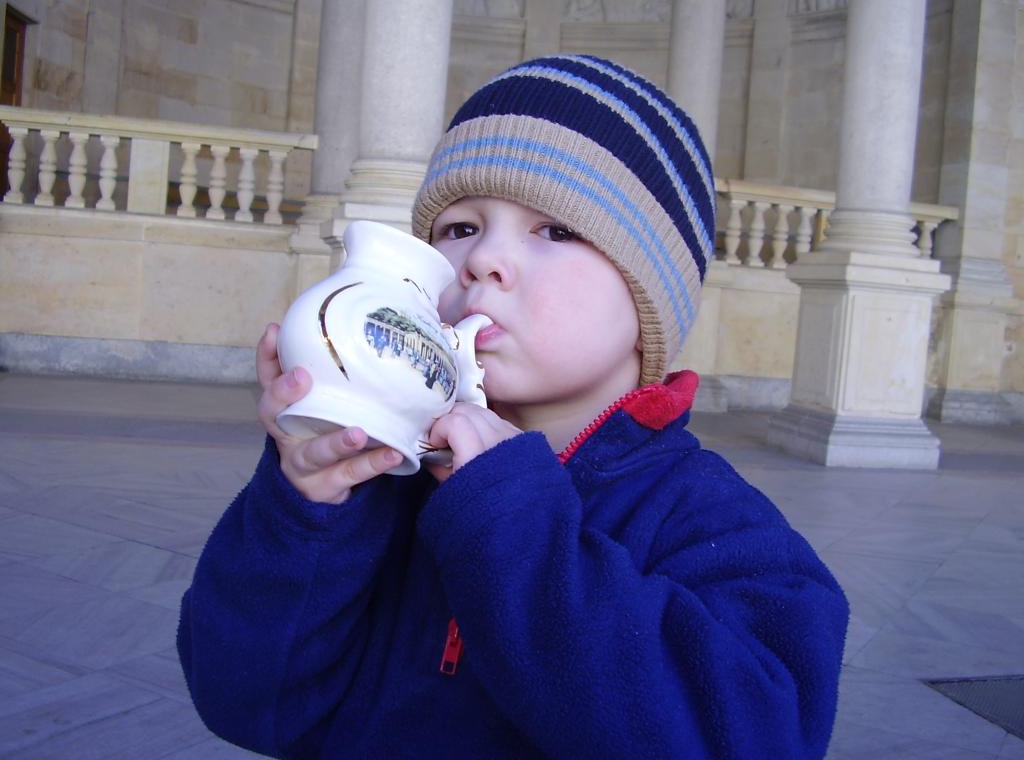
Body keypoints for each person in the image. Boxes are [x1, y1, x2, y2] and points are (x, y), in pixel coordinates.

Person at [178, 54, 848, 759]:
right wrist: (303, 512)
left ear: (649, 301)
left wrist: (509, 517)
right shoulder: (380, 481)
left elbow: (749, 738)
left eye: (556, 230)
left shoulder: (719, 527)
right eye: (460, 228)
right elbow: (247, 706)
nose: (482, 260)